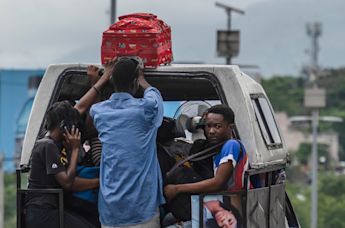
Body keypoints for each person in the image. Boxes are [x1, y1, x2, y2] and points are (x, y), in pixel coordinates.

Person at [89, 57, 165, 227]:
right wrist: (143, 79)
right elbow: (154, 97)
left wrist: (99, 80)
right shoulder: (145, 110)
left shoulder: (100, 112)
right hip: (143, 208)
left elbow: (93, 109)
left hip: (111, 210)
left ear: (111, 80)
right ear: (134, 83)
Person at [164, 105, 249, 219]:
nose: (211, 131)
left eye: (217, 126)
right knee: (169, 219)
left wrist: (177, 189)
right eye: (208, 126)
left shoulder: (231, 145)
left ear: (231, 127)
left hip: (228, 208)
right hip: (218, 204)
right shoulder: (218, 147)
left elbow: (218, 183)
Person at [25, 101, 99, 228]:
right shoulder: (47, 145)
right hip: (43, 211)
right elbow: (67, 182)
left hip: (51, 208)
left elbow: (71, 173)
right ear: (63, 125)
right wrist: (75, 150)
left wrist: (70, 150)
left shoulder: (55, 145)